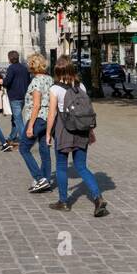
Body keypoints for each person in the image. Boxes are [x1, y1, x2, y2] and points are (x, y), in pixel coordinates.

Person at [46, 60, 108, 216]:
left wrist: (48, 134)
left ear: (58, 72)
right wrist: (91, 132)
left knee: (61, 166)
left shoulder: (55, 89)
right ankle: (98, 198)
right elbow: (86, 112)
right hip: (82, 130)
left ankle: (63, 202)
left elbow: (52, 114)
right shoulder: (81, 87)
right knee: (81, 166)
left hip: (63, 130)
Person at [19, 53, 54, 192]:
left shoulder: (36, 81)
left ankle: (40, 178)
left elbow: (36, 105)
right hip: (48, 118)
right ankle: (46, 178)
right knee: (44, 149)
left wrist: (30, 125)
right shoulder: (50, 79)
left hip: (37, 118)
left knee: (23, 148)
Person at [2, 50, 29, 150]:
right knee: (15, 118)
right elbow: (28, 81)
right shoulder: (24, 68)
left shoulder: (11, 68)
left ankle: (24, 141)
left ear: (9, 59)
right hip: (23, 96)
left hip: (14, 97)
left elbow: (7, 82)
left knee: (18, 119)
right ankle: (11, 137)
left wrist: (1, 81)